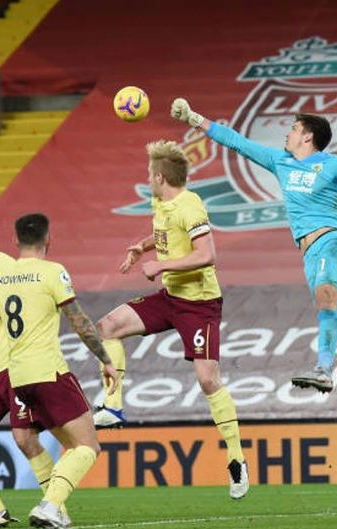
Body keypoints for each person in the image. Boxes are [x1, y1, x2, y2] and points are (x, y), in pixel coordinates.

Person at [170, 99, 337, 434]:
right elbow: (236, 140)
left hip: (333, 244)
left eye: (294, 129)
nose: (288, 132)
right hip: (311, 255)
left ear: (308, 137)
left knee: (326, 295)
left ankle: (323, 368)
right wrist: (194, 118)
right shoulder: (280, 161)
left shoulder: (332, 165)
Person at [91, 140, 250, 499]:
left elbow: (206, 254)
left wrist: (160, 264)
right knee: (106, 328)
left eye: (150, 173)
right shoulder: (160, 203)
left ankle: (237, 460)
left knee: (208, 380)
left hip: (199, 304)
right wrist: (143, 247)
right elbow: (166, 235)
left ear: (160, 177)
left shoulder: (190, 205)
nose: (147, 178)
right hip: (170, 297)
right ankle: (113, 407)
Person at [0, 214, 119, 528]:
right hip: (48, 371)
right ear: (48, 239)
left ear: (15, 240)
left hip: (18, 377)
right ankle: (50, 505)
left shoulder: (4, 276)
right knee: (88, 446)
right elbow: (79, 321)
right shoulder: (52, 272)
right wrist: (105, 358)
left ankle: (54, 507)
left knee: (50, 440)